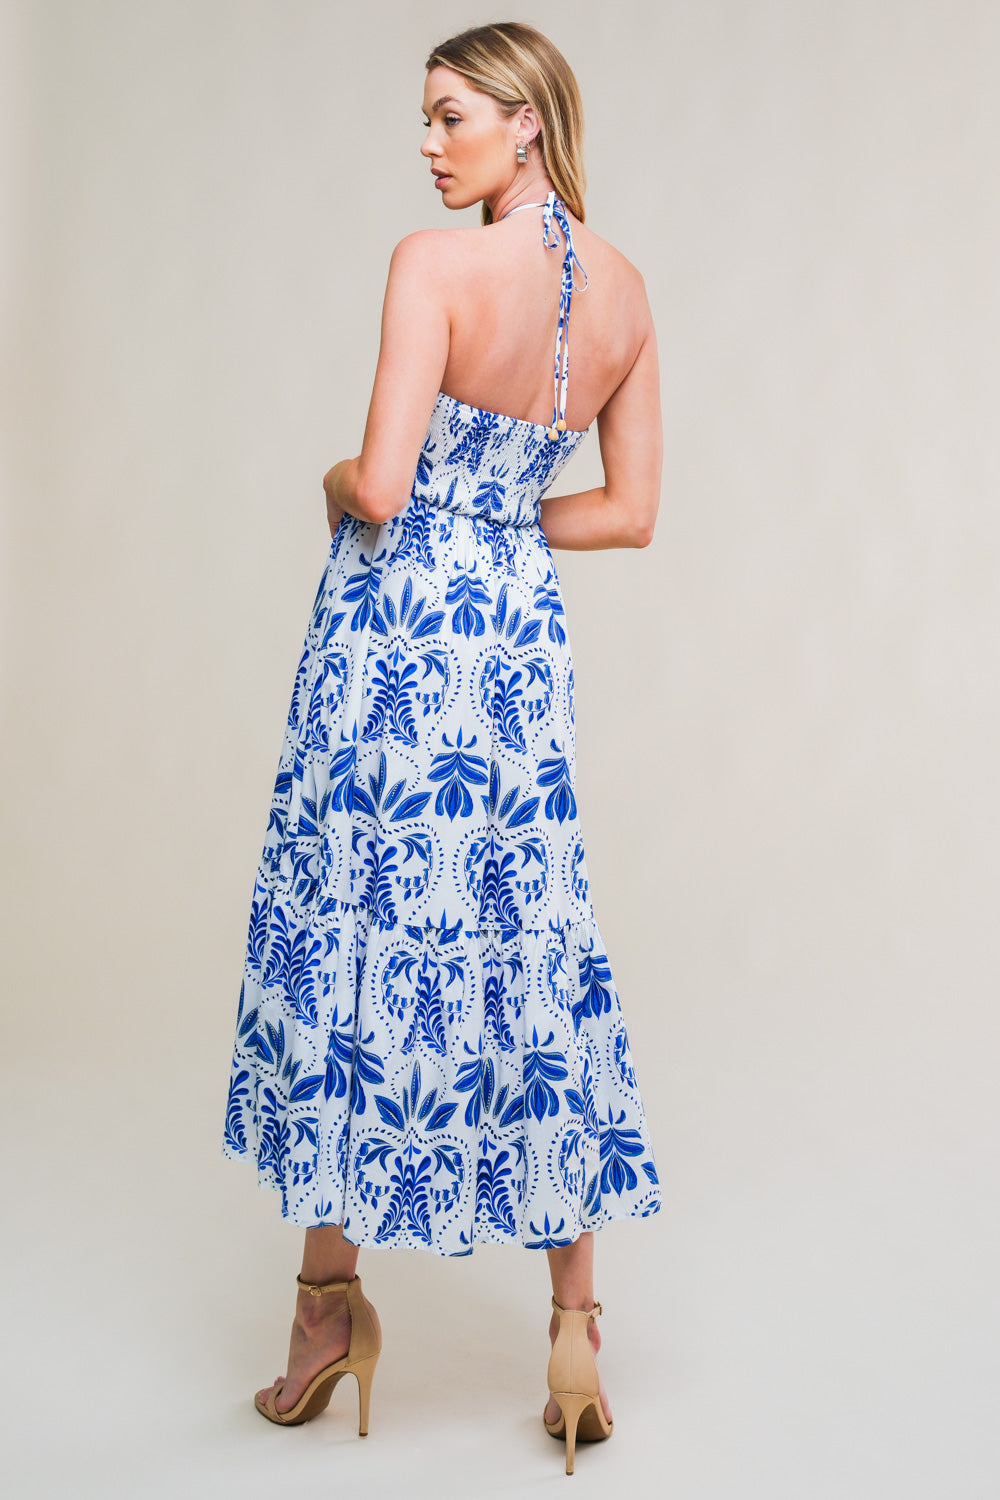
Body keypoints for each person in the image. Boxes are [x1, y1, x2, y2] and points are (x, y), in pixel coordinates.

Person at [221, 19, 663, 1474]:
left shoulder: (433, 264)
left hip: (401, 646)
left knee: (361, 933)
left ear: (526, 123)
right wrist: (505, 519)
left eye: (451, 115)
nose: (428, 144)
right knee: (529, 935)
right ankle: (576, 1336)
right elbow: (630, 512)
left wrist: (333, 475)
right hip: (516, 653)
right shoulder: (626, 293)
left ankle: (325, 1318)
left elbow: (386, 486)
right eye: (425, 119)